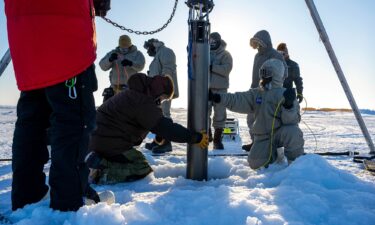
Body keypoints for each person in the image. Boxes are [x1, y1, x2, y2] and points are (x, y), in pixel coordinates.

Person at [5, 0, 111, 211]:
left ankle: (27, 199)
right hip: (64, 28)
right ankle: (69, 203)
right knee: (72, 122)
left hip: (24, 28)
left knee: (31, 120)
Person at [86, 73, 208, 184]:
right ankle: (99, 172)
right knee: (140, 167)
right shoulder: (142, 100)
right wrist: (195, 137)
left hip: (99, 140)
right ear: (159, 92)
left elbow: (150, 120)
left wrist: (160, 132)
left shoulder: (135, 93)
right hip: (108, 142)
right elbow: (165, 127)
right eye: (162, 98)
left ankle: (97, 161)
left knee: (133, 159)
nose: (160, 102)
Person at [209, 59, 304, 169]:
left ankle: (296, 165)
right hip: (263, 137)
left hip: (280, 134)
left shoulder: (285, 94)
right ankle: (277, 155)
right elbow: (237, 99)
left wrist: (289, 106)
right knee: (256, 163)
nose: (264, 77)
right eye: (262, 73)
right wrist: (218, 97)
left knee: (293, 132)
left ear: (276, 75)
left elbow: (292, 121)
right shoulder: (256, 93)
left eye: (267, 73)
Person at [242, 30, 288, 152]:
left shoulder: (276, 55)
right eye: (255, 42)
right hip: (255, 90)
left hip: (269, 93)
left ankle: (271, 145)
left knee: (268, 120)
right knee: (251, 118)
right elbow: (255, 75)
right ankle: (255, 142)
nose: (257, 45)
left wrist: (273, 85)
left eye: (259, 42)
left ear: (265, 41)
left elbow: (285, 73)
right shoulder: (257, 56)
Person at [143, 38, 179, 153]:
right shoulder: (159, 54)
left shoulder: (165, 51)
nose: (148, 52)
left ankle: (167, 143)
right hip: (158, 91)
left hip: (164, 91)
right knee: (158, 116)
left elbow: (168, 70)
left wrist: (163, 89)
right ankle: (159, 141)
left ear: (152, 45)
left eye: (148, 49)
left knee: (164, 115)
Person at [99, 35, 145, 102]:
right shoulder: (113, 53)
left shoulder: (137, 54)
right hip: (115, 89)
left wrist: (131, 63)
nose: (123, 50)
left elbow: (141, 66)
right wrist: (110, 59)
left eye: (125, 48)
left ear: (130, 46)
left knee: (129, 110)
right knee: (111, 109)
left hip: (130, 88)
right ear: (119, 46)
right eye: (122, 48)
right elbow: (102, 66)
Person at [208, 32, 233, 149]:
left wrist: (212, 67)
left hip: (221, 89)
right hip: (206, 89)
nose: (212, 43)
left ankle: (217, 140)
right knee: (203, 113)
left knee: (220, 115)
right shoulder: (205, 52)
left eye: (214, 41)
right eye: (210, 41)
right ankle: (207, 134)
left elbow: (227, 69)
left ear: (218, 41)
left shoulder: (226, 55)